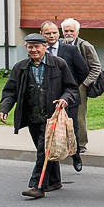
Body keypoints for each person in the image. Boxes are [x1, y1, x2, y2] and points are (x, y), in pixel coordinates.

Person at [0, 33, 80, 198]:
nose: (34, 50)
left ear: (44, 47)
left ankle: (37, 186)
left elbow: (72, 88)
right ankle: (55, 180)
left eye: (37, 46)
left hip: (52, 117)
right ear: (26, 48)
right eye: (30, 46)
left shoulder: (58, 64)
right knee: (44, 149)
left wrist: (64, 99)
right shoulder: (20, 67)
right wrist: (4, 108)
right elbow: (10, 91)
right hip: (32, 117)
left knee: (44, 151)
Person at [39, 20, 89, 171]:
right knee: (50, 129)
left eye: (54, 33)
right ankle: (52, 161)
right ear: (42, 34)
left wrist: (72, 85)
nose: (52, 36)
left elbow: (83, 70)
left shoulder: (70, 50)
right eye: (48, 33)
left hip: (69, 97)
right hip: (48, 98)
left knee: (71, 127)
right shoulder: (40, 50)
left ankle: (76, 155)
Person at [61, 17, 102, 152]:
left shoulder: (85, 46)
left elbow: (96, 67)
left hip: (79, 85)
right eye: (66, 30)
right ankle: (65, 142)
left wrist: (85, 84)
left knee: (79, 116)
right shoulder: (60, 45)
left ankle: (81, 143)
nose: (69, 33)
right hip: (62, 85)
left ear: (77, 31)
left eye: (72, 31)